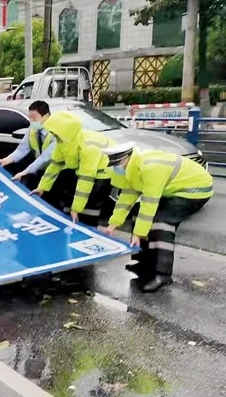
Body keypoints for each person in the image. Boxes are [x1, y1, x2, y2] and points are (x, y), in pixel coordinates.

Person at [101, 142, 213, 292]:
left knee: (161, 222)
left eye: (118, 164)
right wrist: (113, 224)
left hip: (194, 189)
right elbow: (126, 199)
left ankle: (162, 274)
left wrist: (138, 234)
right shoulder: (132, 169)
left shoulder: (150, 168)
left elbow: (150, 203)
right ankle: (144, 264)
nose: (116, 168)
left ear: (125, 158)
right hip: (172, 189)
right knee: (137, 215)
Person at [30, 110, 115, 226]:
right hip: (84, 171)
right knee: (71, 202)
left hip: (103, 173)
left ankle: (86, 230)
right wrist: (42, 188)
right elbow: (55, 165)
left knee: (89, 208)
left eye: (55, 132)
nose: (53, 135)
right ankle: (73, 225)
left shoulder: (88, 146)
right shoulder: (64, 142)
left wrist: (77, 208)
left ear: (64, 131)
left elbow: (86, 179)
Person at [0, 100, 56, 189]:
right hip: (42, 171)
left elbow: (44, 158)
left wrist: (25, 172)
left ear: (46, 116)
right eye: (29, 117)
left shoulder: (56, 132)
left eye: (34, 118)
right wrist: (6, 160)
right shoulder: (32, 129)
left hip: (59, 172)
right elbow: (22, 149)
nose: (31, 121)